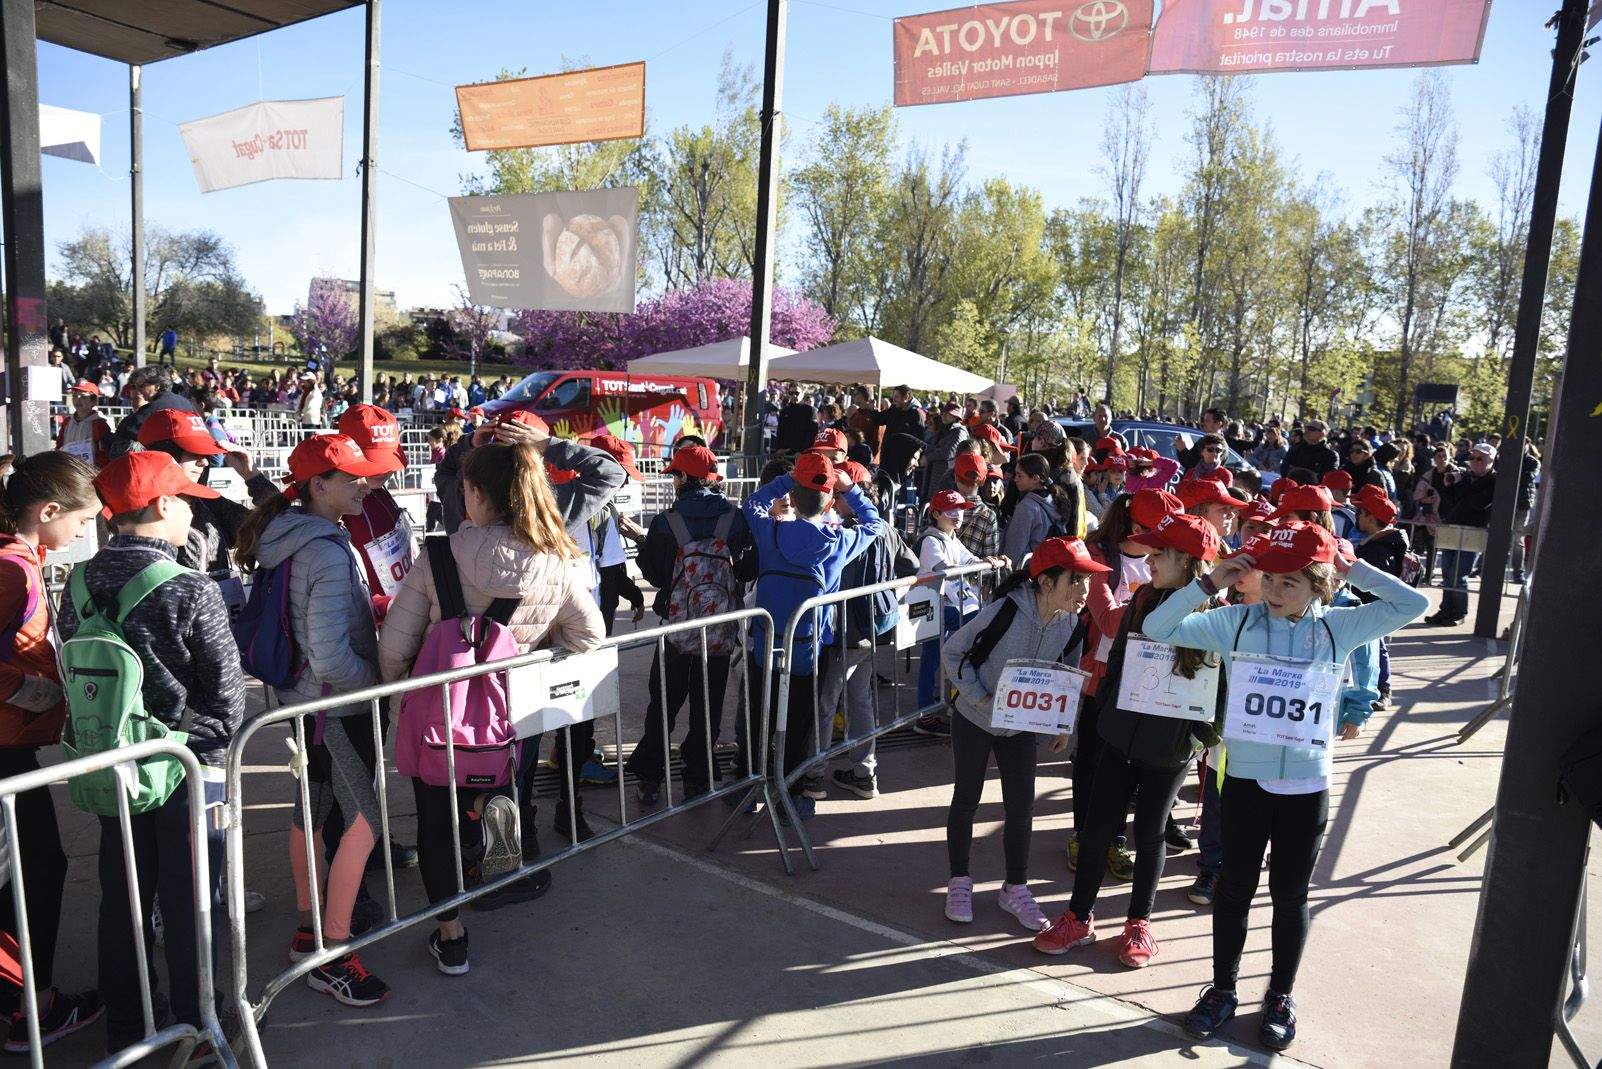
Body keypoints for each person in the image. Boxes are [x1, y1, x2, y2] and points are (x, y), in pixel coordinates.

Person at [1142, 521, 1429, 1051]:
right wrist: (1207, 584)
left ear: (1319, 584)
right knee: (1234, 889)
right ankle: (1222, 990)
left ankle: (1279, 995)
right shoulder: (1235, 622)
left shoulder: (1338, 629)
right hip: (1246, 779)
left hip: (1305, 784)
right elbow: (1158, 627)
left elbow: (1414, 606)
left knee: (1289, 895)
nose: (1274, 592)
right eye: (1269, 579)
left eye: (1289, 583)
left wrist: (1355, 568)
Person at [377, 441, 604, 975]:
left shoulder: (437, 557)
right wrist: (529, 658)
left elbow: (393, 647)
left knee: (435, 821)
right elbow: (589, 638)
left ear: (474, 493)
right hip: (513, 719)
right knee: (502, 794)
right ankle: (494, 871)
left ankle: (450, 934)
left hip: (440, 720)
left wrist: (401, 695)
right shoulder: (557, 562)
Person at [58, 452, 246, 1051]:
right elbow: (227, 702)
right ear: (164, 505)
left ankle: (128, 1023)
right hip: (186, 769)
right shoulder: (190, 587)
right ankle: (201, 1024)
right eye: (185, 498)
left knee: (124, 895)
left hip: (113, 764)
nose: (191, 508)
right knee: (192, 900)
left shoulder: (80, 582)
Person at [235, 435, 394, 1007]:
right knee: (365, 822)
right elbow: (329, 654)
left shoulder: (291, 537)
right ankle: (335, 951)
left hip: (302, 703)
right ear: (317, 486)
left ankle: (310, 932)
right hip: (334, 705)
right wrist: (376, 680)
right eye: (352, 478)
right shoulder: (325, 548)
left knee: (312, 811)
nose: (366, 484)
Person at [1035, 512, 1224, 968]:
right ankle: (1079, 916)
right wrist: (1107, 720)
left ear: (1188, 561)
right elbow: (1117, 659)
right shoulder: (1141, 598)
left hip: (1170, 748)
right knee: (1098, 826)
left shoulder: (1218, 616)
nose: (1149, 560)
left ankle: (1139, 923)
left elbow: (1221, 691)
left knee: (1151, 831)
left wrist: (1195, 740)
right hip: (1120, 737)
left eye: (1160, 554)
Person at [940, 538, 1102, 930]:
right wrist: (981, 700)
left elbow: (1066, 677)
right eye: (1076, 581)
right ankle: (959, 881)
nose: (1085, 591)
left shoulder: (1070, 624)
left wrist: (1065, 722)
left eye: (1086, 581)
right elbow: (953, 652)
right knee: (967, 799)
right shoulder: (1004, 610)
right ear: (1046, 583)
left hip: (1022, 728)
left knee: (1021, 807)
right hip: (974, 720)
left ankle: (1015, 887)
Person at [0, 453, 103, 1052]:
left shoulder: (20, 564)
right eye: (83, 522)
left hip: (14, 745)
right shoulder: (12, 571)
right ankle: (32, 1010)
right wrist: (27, 690)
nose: (86, 535)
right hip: (5, 749)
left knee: (30, 870)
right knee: (37, 871)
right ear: (49, 512)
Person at [742, 453, 885, 821]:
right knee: (799, 725)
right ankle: (789, 793)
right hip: (807, 653)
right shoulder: (838, 543)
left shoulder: (771, 531)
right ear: (827, 499)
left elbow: (752, 503)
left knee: (760, 715)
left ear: (797, 492)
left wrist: (791, 478)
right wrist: (850, 490)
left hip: (765, 646)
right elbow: (874, 523)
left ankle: (746, 786)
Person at [626, 445, 755, 804]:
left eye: (674, 475)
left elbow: (653, 574)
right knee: (708, 705)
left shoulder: (667, 522)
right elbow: (747, 570)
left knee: (663, 703)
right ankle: (698, 777)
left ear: (683, 478)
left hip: (675, 628)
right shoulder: (735, 517)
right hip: (719, 628)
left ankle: (650, 778)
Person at [1426, 443, 1495, 627]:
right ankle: (1445, 609)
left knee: (1459, 575)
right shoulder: (1465, 478)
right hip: (1453, 528)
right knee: (1447, 573)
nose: (1474, 462)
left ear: (1491, 461)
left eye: (1480, 459)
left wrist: (1461, 482)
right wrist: (1449, 485)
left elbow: (1477, 503)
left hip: (1473, 532)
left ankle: (1457, 612)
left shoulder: (1494, 480)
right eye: (1472, 458)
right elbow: (1450, 501)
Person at [104, 367, 198, 460]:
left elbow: (127, 430)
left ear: (157, 386)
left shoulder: (153, 408)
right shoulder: (185, 402)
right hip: (191, 457)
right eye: (135, 386)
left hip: (170, 461)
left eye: (141, 386)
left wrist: (105, 439)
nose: (138, 390)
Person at [1002, 454, 1072, 570]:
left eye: (1020, 475)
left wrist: (1006, 576)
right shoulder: (1055, 499)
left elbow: (1014, 549)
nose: (1015, 479)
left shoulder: (1026, 507)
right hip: (1046, 569)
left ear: (1035, 479)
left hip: (1026, 575)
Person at [56, 381, 112, 470]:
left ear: (93, 401)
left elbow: (104, 453)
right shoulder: (67, 422)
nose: (77, 399)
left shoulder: (99, 424)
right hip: (69, 471)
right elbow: (59, 446)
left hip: (90, 474)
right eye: (74, 396)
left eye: (83, 397)